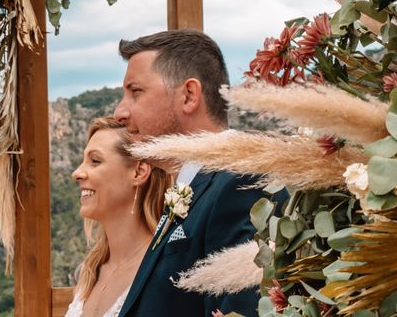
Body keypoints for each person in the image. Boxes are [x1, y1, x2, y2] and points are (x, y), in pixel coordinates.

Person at [112, 29, 288, 317]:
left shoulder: (241, 181)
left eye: (136, 92)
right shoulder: (199, 183)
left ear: (189, 95)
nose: (120, 112)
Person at [66, 117, 172, 317]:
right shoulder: (90, 271)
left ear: (139, 172)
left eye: (95, 161)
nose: (77, 173)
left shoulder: (164, 266)